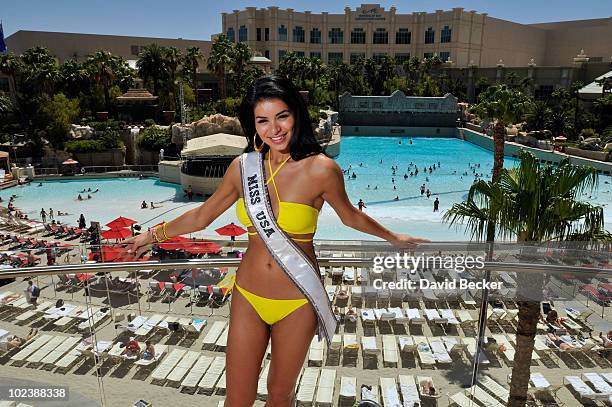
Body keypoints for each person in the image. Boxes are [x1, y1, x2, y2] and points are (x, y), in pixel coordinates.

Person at [125, 75, 428, 407]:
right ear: (253, 125)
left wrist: (393, 236)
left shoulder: (322, 169)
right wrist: (151, 235)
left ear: (296, 114)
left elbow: (350, 216)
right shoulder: (244, 167)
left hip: (297, 301)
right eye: (263, 120)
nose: (275, 128)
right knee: (236, 399)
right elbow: (202, 216)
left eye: (282, 115)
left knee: (280, 396)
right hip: (248, 297)